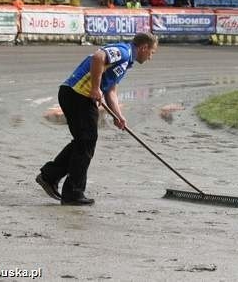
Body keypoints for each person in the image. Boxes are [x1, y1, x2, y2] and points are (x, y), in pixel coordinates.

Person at [36, 33, 158, 206]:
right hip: (78, 95)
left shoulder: (125, 62)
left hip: (77, 95)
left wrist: (118, 116)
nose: (150, 57)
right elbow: (98, 57)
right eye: (151, 52)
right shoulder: (124, 52)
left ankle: (50, 176)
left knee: (83, 141)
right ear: (144, 47)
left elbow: (110, 91)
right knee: (86, 142)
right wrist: (94, 88)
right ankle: (72, 193)